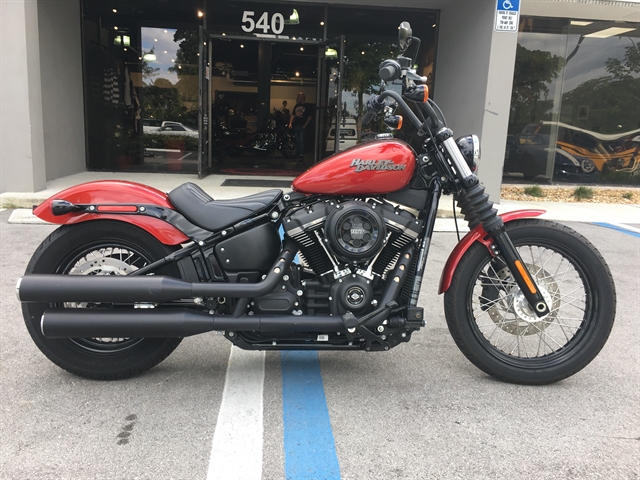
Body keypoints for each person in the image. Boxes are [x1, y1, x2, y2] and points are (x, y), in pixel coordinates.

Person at [288, 93, 314, 162]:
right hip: (296, 125)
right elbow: (293, 115)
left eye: (298, 97)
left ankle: (301, 155)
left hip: (302, 126)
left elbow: (310, 116)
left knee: (301, 141)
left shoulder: (307, 106)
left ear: (302, 98)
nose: (297, 98)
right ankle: (298, 154)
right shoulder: (296, 106)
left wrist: (305, 125)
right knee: (297, 141)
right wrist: (290, 123)